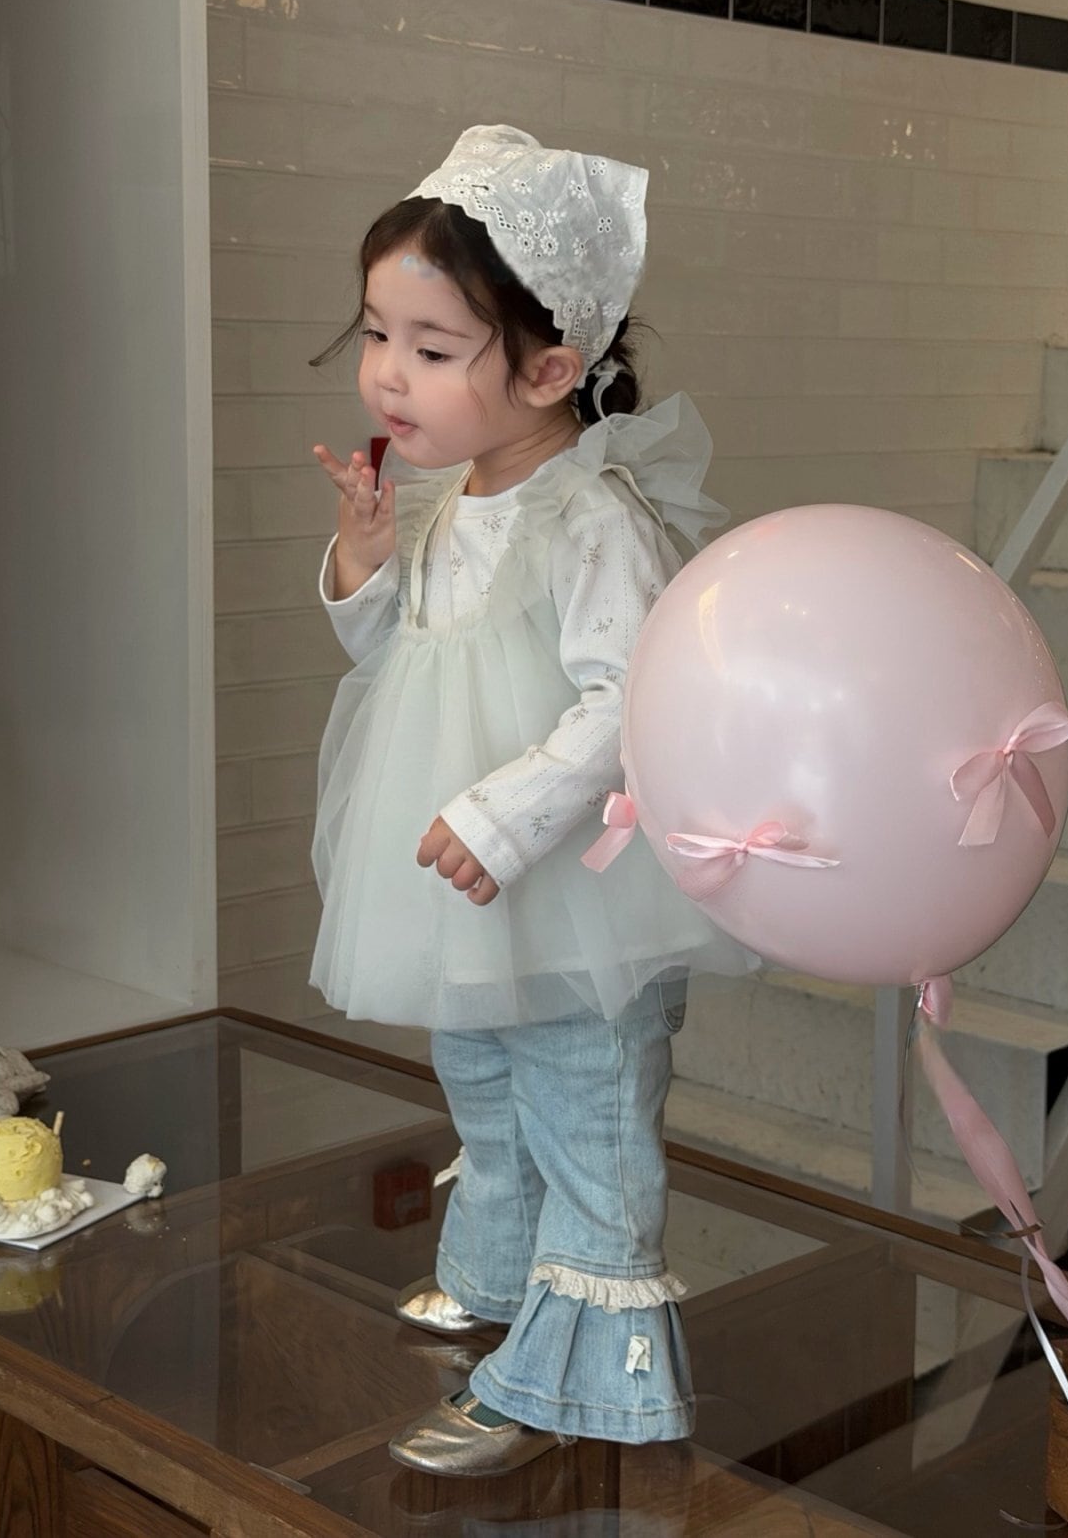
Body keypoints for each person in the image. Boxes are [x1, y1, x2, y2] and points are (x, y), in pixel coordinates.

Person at [310, 125, 743, 1478]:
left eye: (433, 349)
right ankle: (498, 1282)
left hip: (575, 893)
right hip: (477, 891)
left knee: (586, 1109)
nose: (387, 373)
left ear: (550, 370)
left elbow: (633, 700)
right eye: (377, 334)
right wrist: (364, 559)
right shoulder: (456, 497)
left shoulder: (591, 514)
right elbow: (400, 655)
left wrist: (506, 816)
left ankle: (578, 1386)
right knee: (485, 1085)